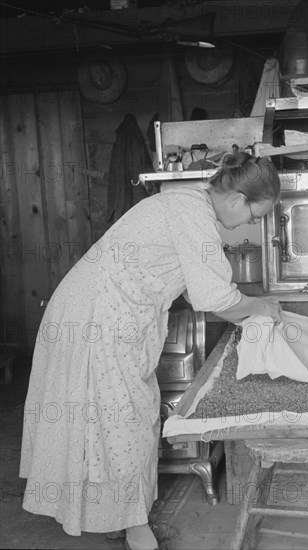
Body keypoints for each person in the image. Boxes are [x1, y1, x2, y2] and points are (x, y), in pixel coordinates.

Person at [19, 153, 282, 550]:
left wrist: (248, 309)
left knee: (106, 415)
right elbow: (215, 298)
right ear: (237, 199)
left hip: (93, 307)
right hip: (100, 316)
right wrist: (261, 308)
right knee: (125, 418)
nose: (249, 224)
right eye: (253, 215)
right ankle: (136, 531)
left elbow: (206, 290)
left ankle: (115, 517)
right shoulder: (192, 214)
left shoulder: (187, 203)